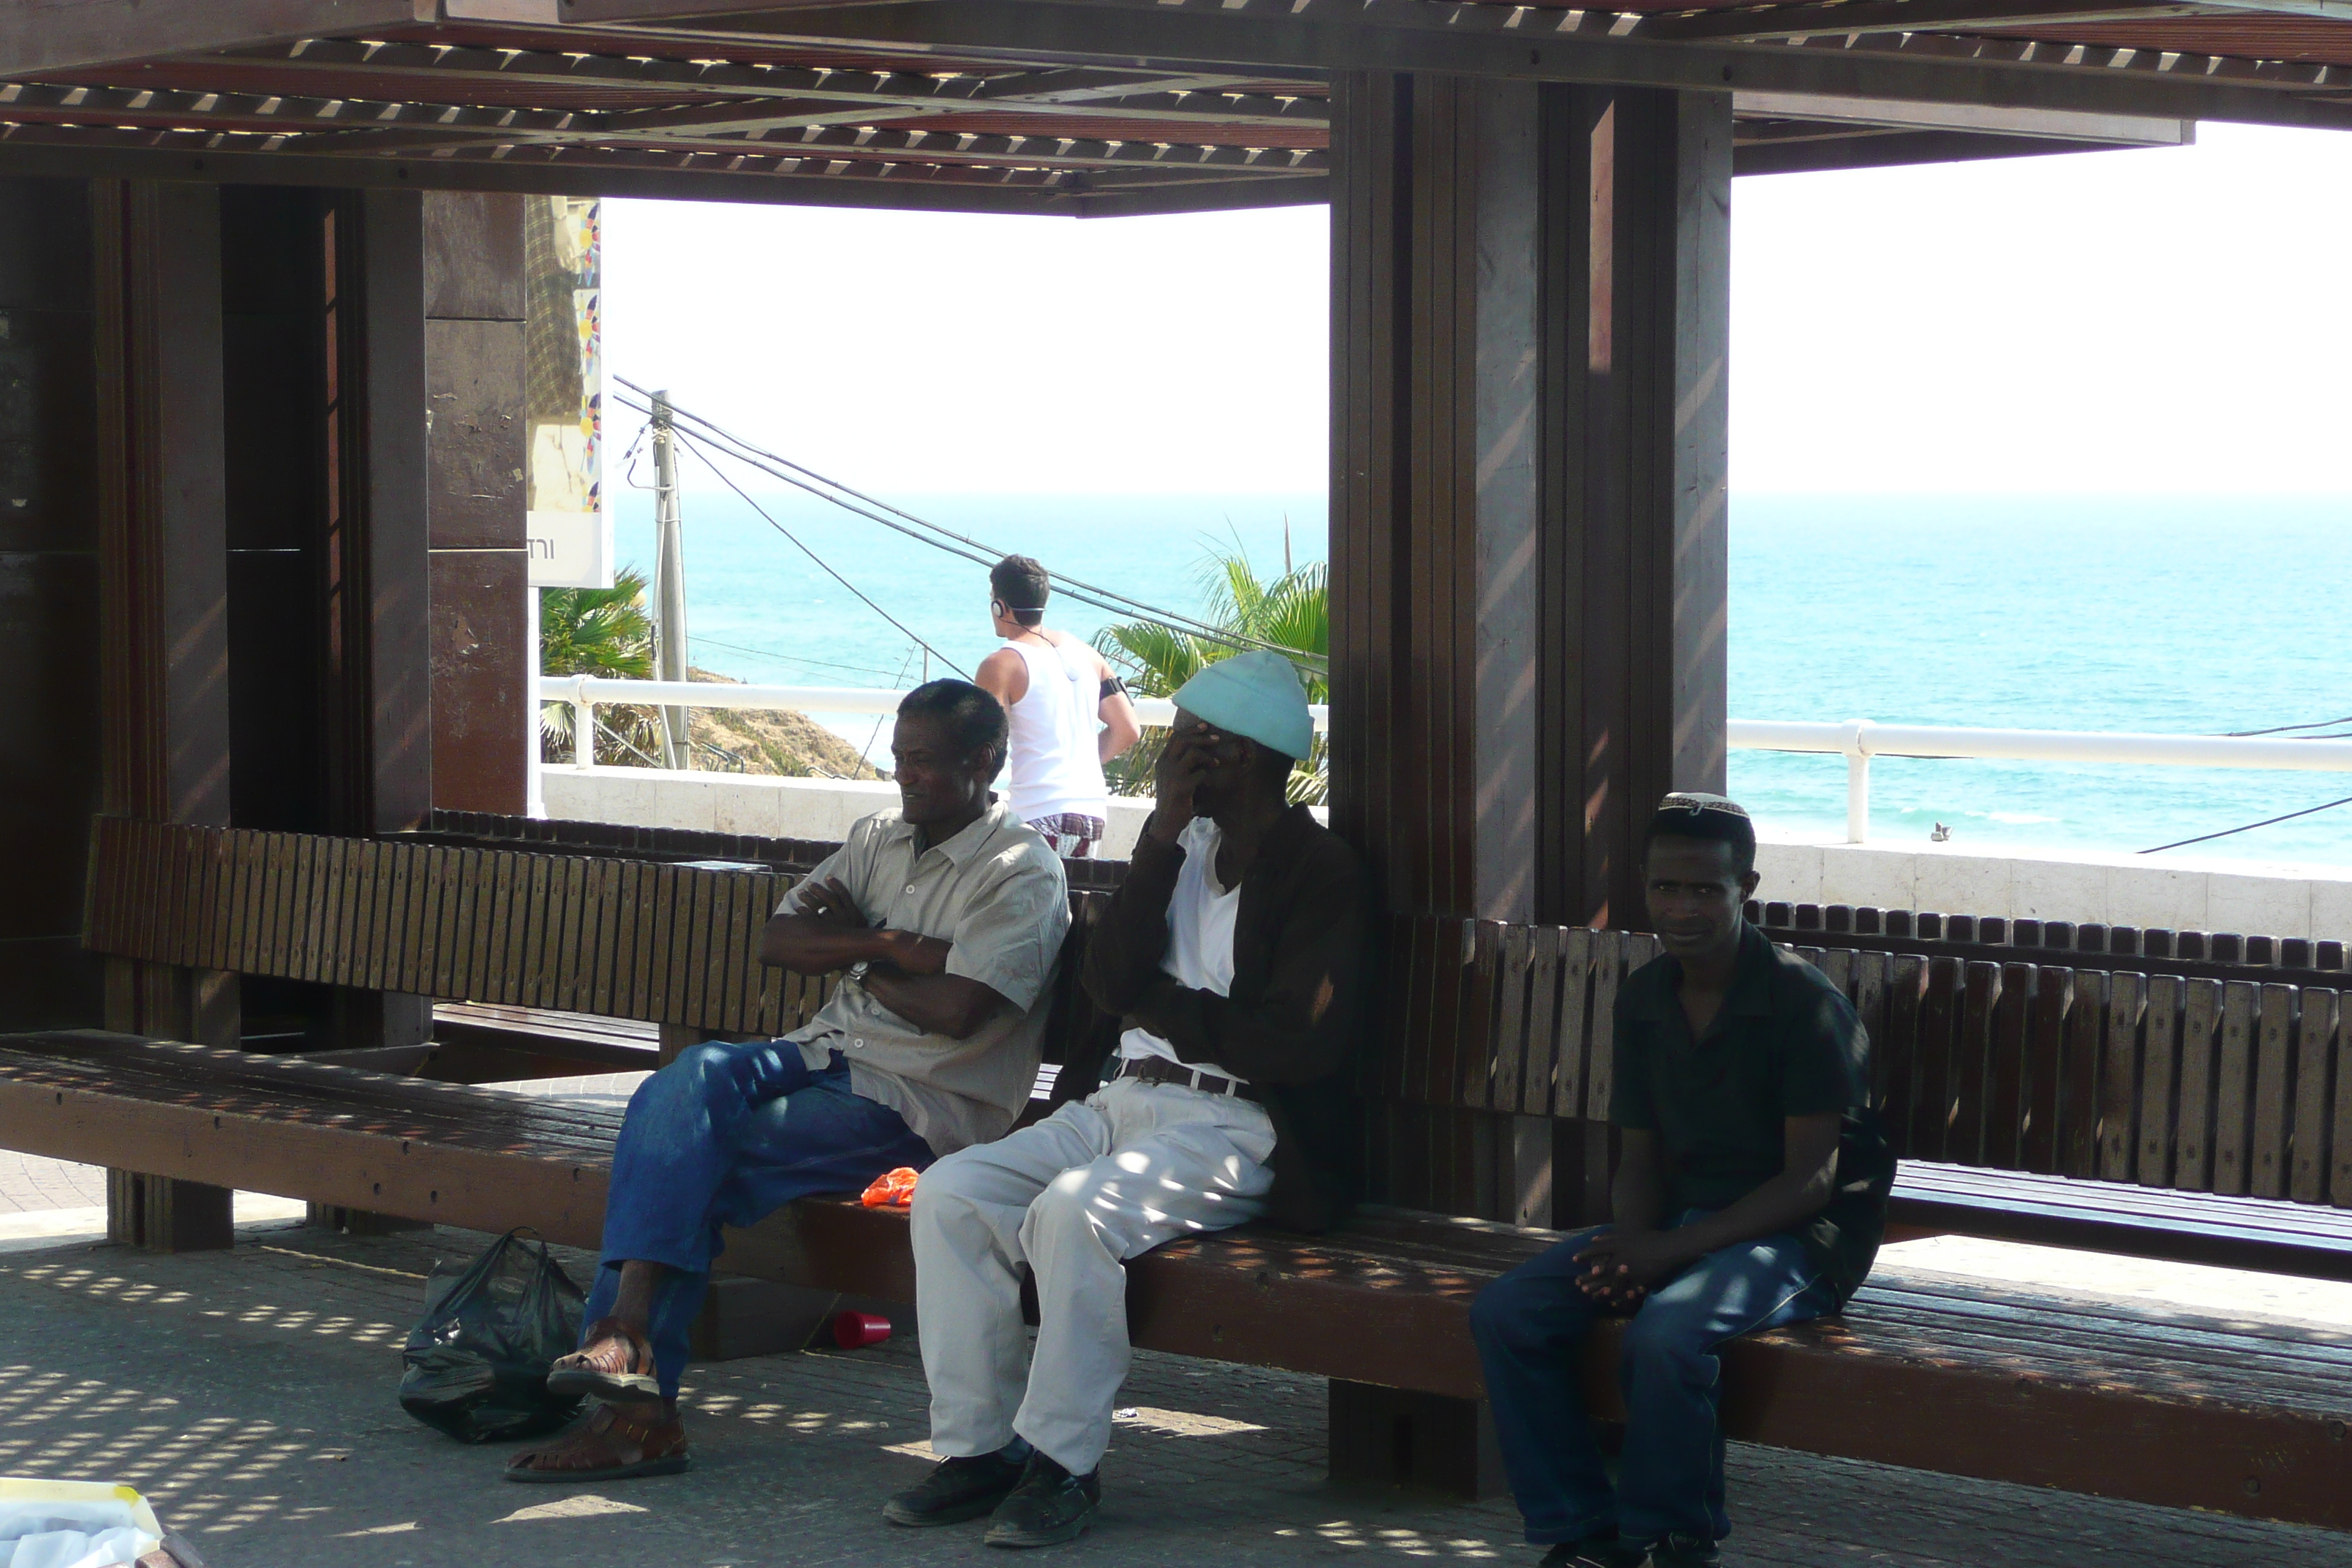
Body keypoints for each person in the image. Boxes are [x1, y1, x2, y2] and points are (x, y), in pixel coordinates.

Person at [505, 679, 1071, 1483]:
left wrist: (849, 951)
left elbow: (957, 1008)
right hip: (818, 1053)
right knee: (688, 1079)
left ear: (985, 761)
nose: (905, 777)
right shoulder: (878, 836)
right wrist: (889, 944)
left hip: (913, 1100)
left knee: (684, 1154)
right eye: (900, 759)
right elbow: (779, 938)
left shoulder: (1020, 871)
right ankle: (627, 1351)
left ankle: (632, 1397)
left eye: (926, 762)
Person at [886, 650, 1368, 1548]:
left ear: (1250, 755)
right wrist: (1157, 837)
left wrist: (1154, 1004)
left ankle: (1061, 1465)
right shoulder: (1179, 847)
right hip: (1119, 1102)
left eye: (1192, 740)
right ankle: (978, 1448)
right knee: (953, 1193)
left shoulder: (1319, 868)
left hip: (1239, 1125)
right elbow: (1107, 981)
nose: (1171, 754)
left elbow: (1292, 1043)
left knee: (1073, 1214)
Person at [1469, 794, 1893, 1568]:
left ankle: (1671, 1537)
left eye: (1706, 889)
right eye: (1666, 886)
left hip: (1798, 1240)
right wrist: (1633, 1243)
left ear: (1747, 887)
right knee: (1507, 1311)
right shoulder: (1643, 999)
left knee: (1668, 1334)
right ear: (1643, 884)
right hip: (1684, 1227)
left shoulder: (1806, 1006)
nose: (1682, 906)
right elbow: (1640, 1158)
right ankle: (1584, 1530)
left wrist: (1669, 1252)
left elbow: (1811, 1181)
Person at [974, 554, 1141, 859]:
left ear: (1000, 606)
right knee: (1072, 904)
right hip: (1090, 815)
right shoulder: (1089, 655)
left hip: (1035, 814)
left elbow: (984, 746)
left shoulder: (1001, 665)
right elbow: (1128, 729)